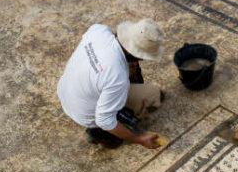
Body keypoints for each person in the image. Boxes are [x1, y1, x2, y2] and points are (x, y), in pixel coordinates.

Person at [57, 20, 165, 149]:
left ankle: (111, 111)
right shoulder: (117, 77)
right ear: (135, 54)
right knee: (154, 95)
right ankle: (100, 133)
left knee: (119, 81)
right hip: (86, 114)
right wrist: (139, 140)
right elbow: (104, 120)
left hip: (67, 94)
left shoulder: (99, 30)